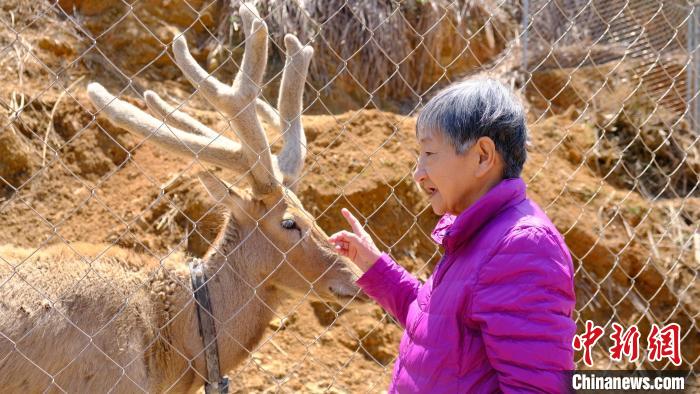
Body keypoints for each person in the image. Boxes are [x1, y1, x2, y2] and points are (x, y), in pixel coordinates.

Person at [329, 79, 577, 393]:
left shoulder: (523, 246)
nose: (418, 173)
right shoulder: (477, 236)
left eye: (430, 152)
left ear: (483, 156)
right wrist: (374, 266)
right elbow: (434, 327)